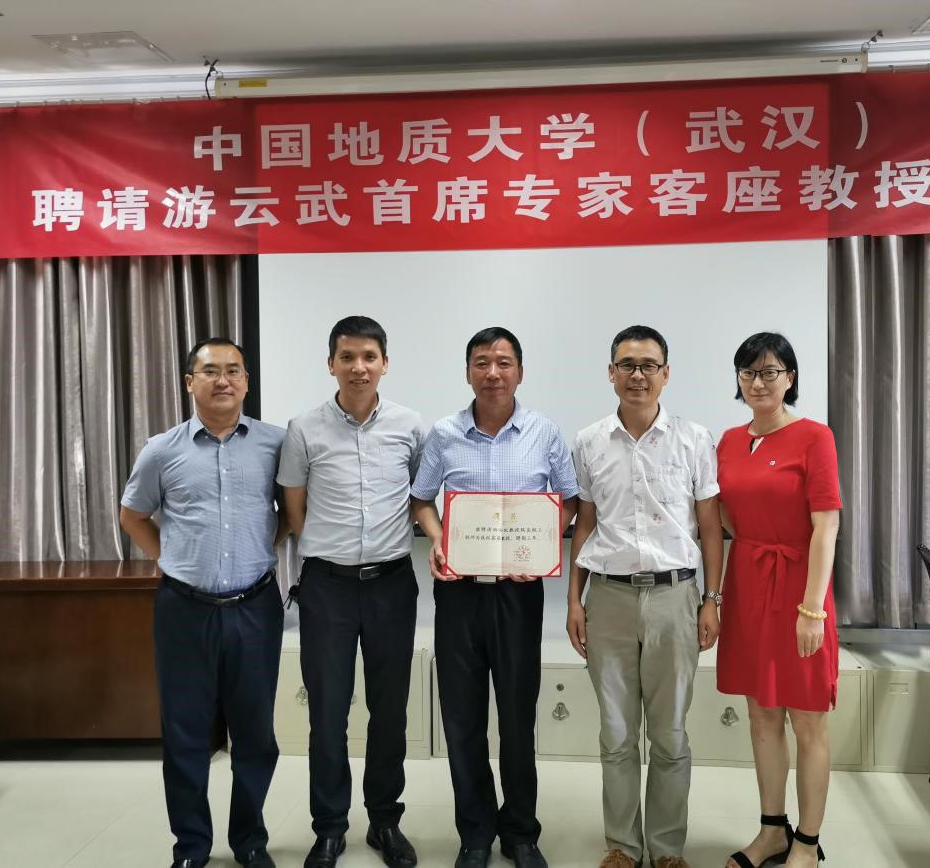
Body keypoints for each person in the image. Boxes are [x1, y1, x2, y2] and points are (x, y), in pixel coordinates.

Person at [410, 327, 579, 868]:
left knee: (516, 715)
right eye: (481, 362)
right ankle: (476, 833)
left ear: (520, 372)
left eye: (504, 362)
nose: (493, 372)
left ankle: (521, 832)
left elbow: (570, 501)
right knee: (461, 718)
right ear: (468, 373)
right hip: (459, 594)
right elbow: (421, 501)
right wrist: (438, 538)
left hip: (518, 596)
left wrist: (545, 542)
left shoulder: (544, 432)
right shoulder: (444, 434)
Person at [119, 337, 286, 868]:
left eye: (234, 371)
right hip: (184, 610)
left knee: (255, 734)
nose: (223, 380)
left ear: (246, 382)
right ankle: (191, 846)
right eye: (211, 371)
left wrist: (265, 546)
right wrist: (171, 558)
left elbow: (292, 510)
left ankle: (249, 840)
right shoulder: (161, 449)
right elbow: (132, 515)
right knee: (186, 734)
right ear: (190, 382)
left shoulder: (275, 444)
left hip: (254, 607)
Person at [566, 325, 724, 868]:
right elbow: (585, 524)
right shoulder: (589, 441)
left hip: (675, 599)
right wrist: (574, 601)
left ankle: (666, 847)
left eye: (649, 365)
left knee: (670, 733)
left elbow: (710, 528)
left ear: (666, 373)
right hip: (607, 599)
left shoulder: (694, 439)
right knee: (615, 732)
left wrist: (712, 599)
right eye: (627, 365)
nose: (638, 375)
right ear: (611, 373)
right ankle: (622, 845)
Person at [277, 316, 425, 868]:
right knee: (328, 712)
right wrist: (328, 554)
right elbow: (294, 510)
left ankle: (385, 821)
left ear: (385, 363)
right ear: (331, 363)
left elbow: (420, 498)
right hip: (327, 588)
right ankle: (330, 828)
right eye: (347, 357)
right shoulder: (303, 428)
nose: (358, 367)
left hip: (391, 584)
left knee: (389, 711)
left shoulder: (411, 426)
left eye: (369, 357)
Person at [716, 332, 841, 868]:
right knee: (761, 714)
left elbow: (826, 527)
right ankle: (772, 831)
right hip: (748, 584)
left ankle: (807, 844)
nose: (759, 382)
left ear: (790, 377)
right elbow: (724, 515)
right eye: (749, 372)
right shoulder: (727, 441)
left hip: (799, 588)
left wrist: (812, 609)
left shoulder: (814, 437)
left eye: (770, 371)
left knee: (807, 720)